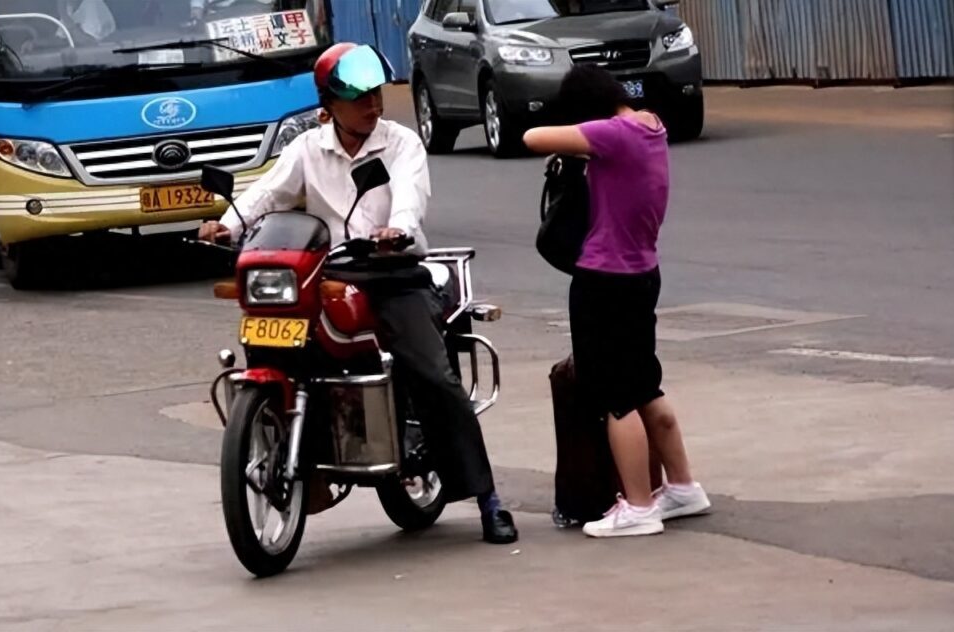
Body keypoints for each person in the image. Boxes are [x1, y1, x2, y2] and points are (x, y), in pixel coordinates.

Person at [198, 43, 518, 545]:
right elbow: (269, 194)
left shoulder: (401, 144)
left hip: (394, 271)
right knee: (276, 346)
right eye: (360, 98)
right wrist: (226, 223)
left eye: (375, 94)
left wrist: (398, 229)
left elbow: (411, 197)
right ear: (329, 107)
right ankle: (305, 460)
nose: (373, 105)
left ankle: (487, 498)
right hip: (334, 273)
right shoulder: (307, 148)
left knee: (433, 374)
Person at [523, 64, 711, 538]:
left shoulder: (614, 134)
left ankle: (639, 506)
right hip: (643, 274)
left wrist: (576, 132)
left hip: (603, 279)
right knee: (646, 384)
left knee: (615, 398)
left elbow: (531, 137)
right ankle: (684, 487)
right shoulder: (651, 126)